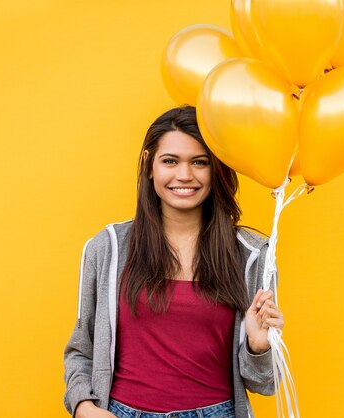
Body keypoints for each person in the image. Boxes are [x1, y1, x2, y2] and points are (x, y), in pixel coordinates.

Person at [63, 105, 285, 418]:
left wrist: (258, 345)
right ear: (149, 166)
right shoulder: (108, 248)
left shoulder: (251, 255)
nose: (185, 175)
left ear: (217, 169)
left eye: (200, 162)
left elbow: (264, 383)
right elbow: (80, 350)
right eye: (170, 161)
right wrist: (84, 407)